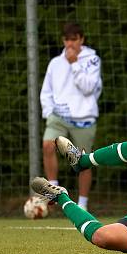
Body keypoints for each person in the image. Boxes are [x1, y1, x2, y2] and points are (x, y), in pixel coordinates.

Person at [40, 22, 102, 210]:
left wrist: (75, 64)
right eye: (67, 39)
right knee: (47, 145)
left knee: (83, 161)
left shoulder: (92, 60)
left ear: (81, 39)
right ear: (63, 40)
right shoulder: (55, 63)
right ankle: (54, 191)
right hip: (58, 116)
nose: (70, 44)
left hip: (84, 119)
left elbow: (88, 88)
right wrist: (49, 112)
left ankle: (82, 205)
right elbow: (46, 91)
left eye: (74, 39)